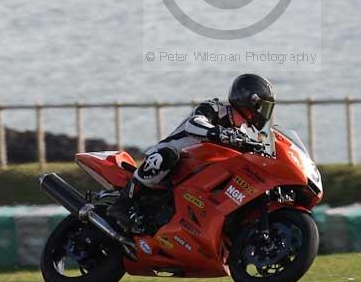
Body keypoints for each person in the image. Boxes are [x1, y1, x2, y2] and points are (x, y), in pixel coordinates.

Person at [108, 73, 275, 228]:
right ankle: (123, 205)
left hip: (198, 171)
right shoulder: (215, 108)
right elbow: (193, 123)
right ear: (251, 101)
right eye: (263, 107)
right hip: (175, 155)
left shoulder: (242, 134)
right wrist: (217, 132)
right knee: (165, 157)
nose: (264, 113)